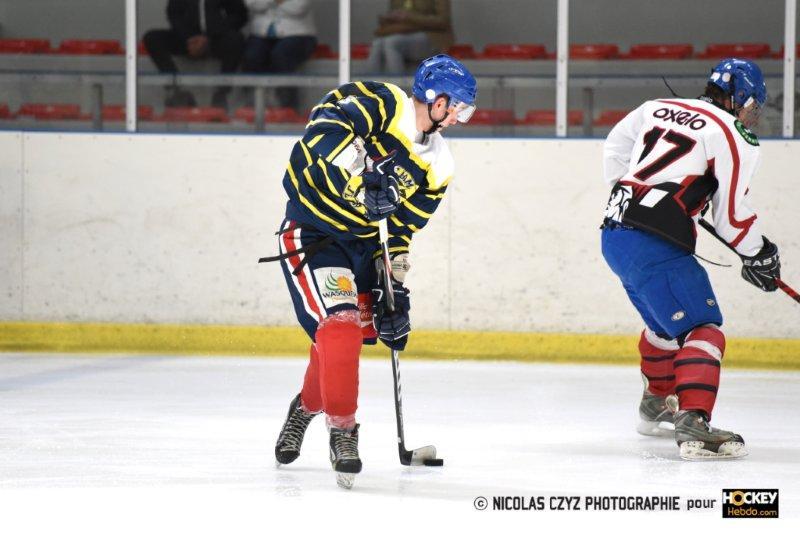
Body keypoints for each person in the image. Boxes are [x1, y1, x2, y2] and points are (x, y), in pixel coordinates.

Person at [260, 55, 476, 488]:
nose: (459, 118)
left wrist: (394, 284)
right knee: (339, 326)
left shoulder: (439, 165)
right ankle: (343, 433)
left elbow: (401, 229)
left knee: (344, 340)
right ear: (435, 97)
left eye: (465, 112)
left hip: (361, 248)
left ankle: (306, 406)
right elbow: (320, 128)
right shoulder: (379, 101)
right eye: (458, 107)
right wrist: (362, 175)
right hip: (313, 231)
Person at [601, 58, 779, 460]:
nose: (751, 116)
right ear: (741, 100)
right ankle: (694, 421)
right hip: (654, 241)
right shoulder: (732, 133)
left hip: (615, 233)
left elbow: (615, 146)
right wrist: (760, 253)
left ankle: (655, 406)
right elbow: (732, 219)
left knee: (665, 327)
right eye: (752, 107)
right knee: (703, 328)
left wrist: (634, 196)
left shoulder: (655, 107)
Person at [143, 0, 248, 109]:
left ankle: (222, 92)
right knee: (152, 38)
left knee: (236, 40)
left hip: (215, 40)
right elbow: (174, 15)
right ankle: (176, 90)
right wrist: (190, 38)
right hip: (186, 41)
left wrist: (209, 37)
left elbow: (239, 15)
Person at [241, 0, 317, 109]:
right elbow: (252, 4)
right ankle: (254, 106)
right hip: (260, 33)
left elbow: (299, 7)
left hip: (299, 34)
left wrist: (268, 4)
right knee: (252, 55)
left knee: (282, 54)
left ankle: (288, 107)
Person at [366, 0, 454, 74]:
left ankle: (398, 88)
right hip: (403, 32)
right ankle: (369, 89)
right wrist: (389, 18)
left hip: (432, 36)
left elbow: (443, 21)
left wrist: (409, 17)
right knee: (377, 44)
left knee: (392, 43)